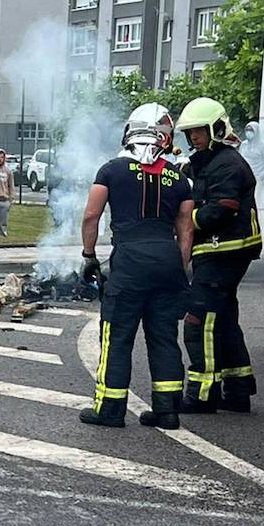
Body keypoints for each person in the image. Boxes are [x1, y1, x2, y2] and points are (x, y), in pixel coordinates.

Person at [77, 104, 193, 430]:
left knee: (117, 337)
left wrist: (89, 256)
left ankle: (110, 410)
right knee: (164, 338)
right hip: (168, 262)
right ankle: (167, 411)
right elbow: (186, 231)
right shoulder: (180, 180)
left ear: (129, 134)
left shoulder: (110, 171)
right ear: (164, 140)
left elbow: (91, 215)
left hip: (129, 264)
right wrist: (181, 270)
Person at [177, 96, 263, 414]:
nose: (194, 138)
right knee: (224, 319)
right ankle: (238, 390)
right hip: (221, 250)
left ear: (215, 128)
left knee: (199, 319)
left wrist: (188, 220)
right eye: (190, 133)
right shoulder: (209, 160)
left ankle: (202, 394)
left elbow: (222, 210)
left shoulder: (227, 163)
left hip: (224, 249)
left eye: (199, 131)